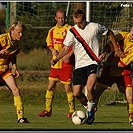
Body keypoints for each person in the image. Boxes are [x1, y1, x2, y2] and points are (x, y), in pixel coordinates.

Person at [51, 9, 124, 124]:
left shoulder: (94, 27)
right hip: (79, 65)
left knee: (90, 88)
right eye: (76, 22)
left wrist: (115, 49)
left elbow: (110, 33)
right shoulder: (72, 31)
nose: (78, 25)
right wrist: (57, 59)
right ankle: (90, 107)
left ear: (85, 19)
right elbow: (65, 48)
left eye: (80, 22)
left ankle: (90, 114)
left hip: (93, 63)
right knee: (77, 93)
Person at [38, 9, 75, 118]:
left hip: (66, 63)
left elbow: (76, 45)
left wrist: (68, 55)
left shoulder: (70, 30)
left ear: (66, 18)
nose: (61, 20)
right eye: (58, 18)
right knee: (50, 87)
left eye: (62, 17)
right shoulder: (52, 31)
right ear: (55, 18)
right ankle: (47, 110)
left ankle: (72, 111)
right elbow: (49, 43)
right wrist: (52, 50)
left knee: (68, 88)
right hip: (55, 63)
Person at [94, 27, 133, 125]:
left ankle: (131, 118)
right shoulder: (122, 35)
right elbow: (109, 45)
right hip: (108, 72)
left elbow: (122, 64)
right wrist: (104, 52)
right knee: (96, 93)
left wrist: (108, 64)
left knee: (130, 97)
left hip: (123, 73)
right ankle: (90, 115)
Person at [0, 21, 29, 123]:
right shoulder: (2, 39)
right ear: (12, 30)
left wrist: (15, 67)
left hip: (4, 70)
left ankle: (20, 118)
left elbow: (12, 57)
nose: (21, 35)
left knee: (15, 90)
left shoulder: (16, 45)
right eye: (18, 32)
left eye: (22, 33)